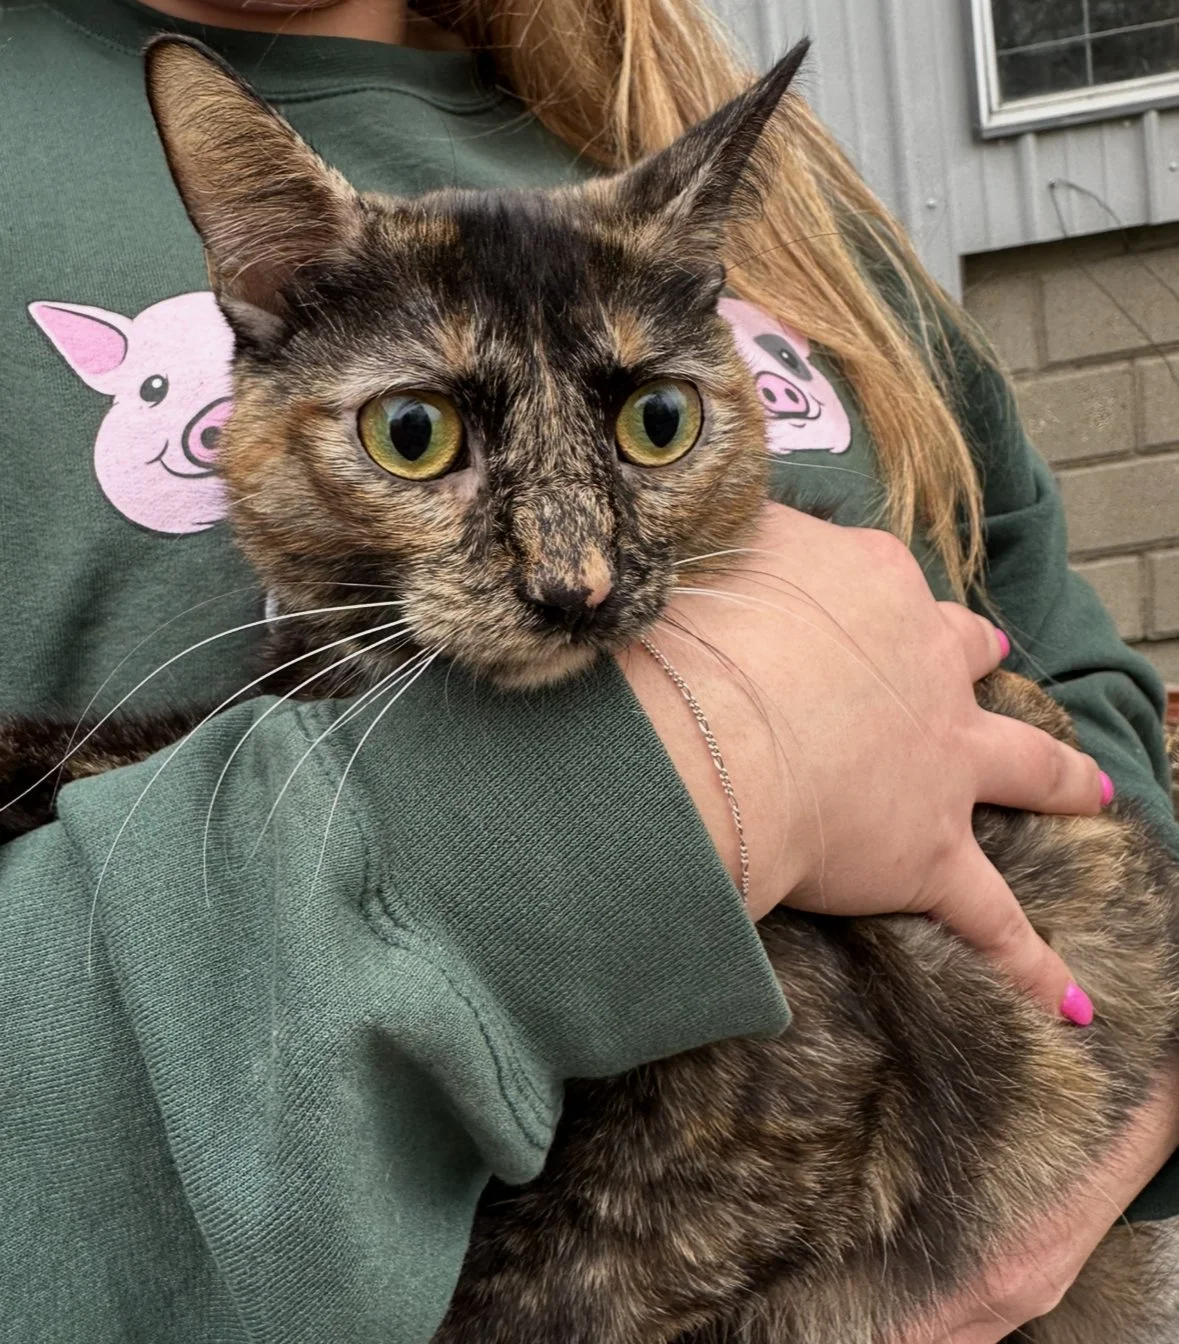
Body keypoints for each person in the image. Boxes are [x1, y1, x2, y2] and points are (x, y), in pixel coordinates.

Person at [1, 1, 1176, 1340]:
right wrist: (690, 778)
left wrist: (1111, 1108)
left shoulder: (762, 176)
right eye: (414, 435)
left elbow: (1075, 680)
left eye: (656, 422)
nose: (576, 574)